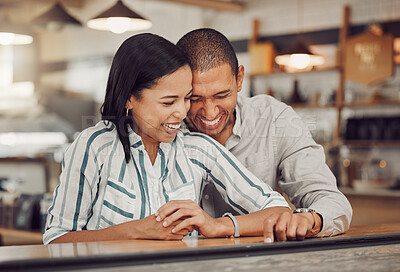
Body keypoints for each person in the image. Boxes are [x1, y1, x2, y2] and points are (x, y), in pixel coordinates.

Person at [43, 33, 293, 245]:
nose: (182, 112)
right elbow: (56, 238)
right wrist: (136, 231)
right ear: (129, 98)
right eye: (168, 102)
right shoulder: (95, 147)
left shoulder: (197, 149)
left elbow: (278, 210)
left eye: (187, 98)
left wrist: (217, 225)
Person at [176, 28, 353, 241]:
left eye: (222, 95)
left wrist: (309, 220)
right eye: (195, 99)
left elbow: (331, 200)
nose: (210, 112)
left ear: (239, 79)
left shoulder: (274, 120)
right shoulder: (165, 130)